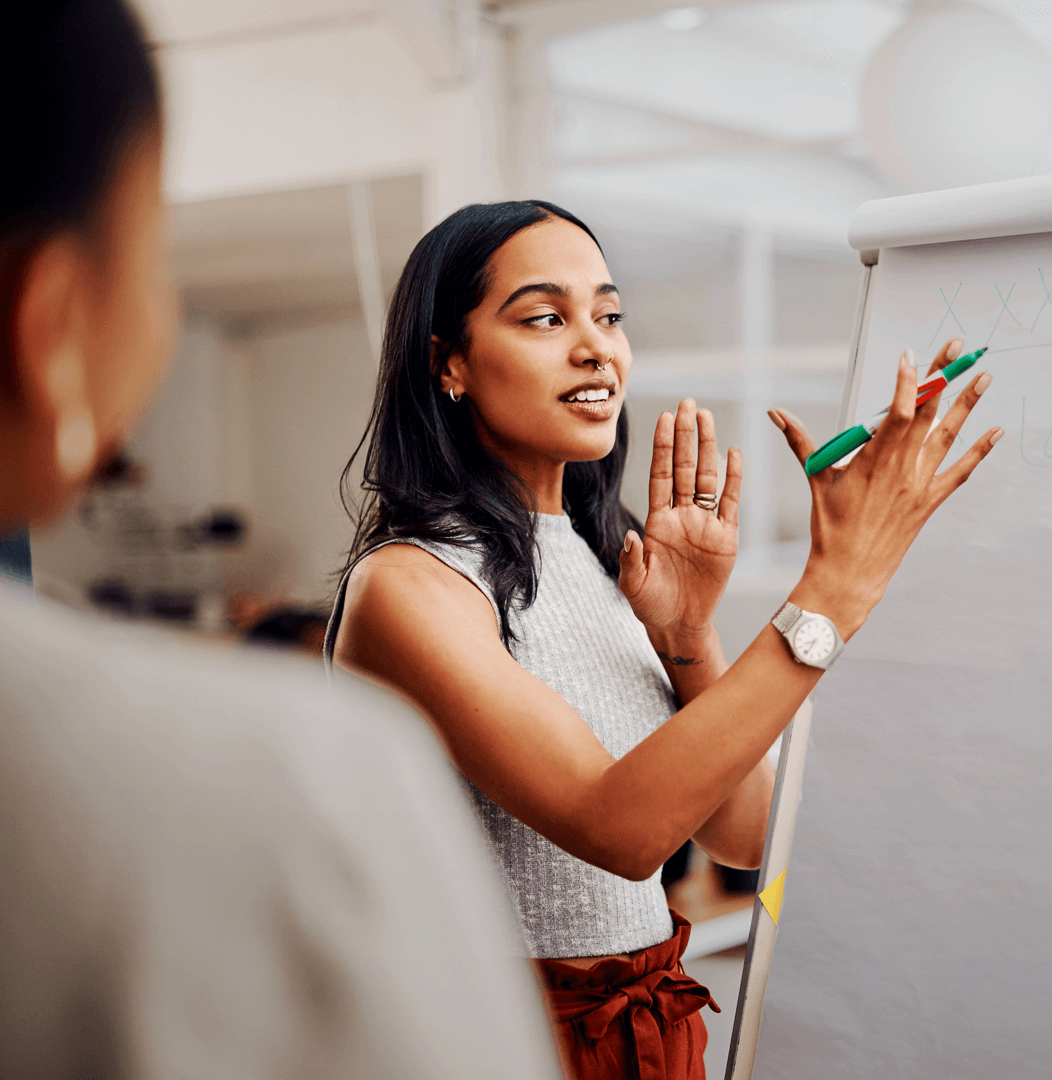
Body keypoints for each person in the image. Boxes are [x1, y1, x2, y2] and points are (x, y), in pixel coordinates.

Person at [0, 5, 562, 1079]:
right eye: (154, 257)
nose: (593, 353)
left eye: (606, 314)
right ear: (45, 322)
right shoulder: (306, 778)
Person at [327, 200, 1001, 1079]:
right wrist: (831, 592)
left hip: (647, 1024)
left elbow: (746, 833)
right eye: (544, 317)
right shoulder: (408, 584)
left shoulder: (608, 557)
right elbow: (622, 829)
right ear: (447, 362)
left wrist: (686, 637)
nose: (596, 345)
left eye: (608, 315)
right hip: (495, 1039)